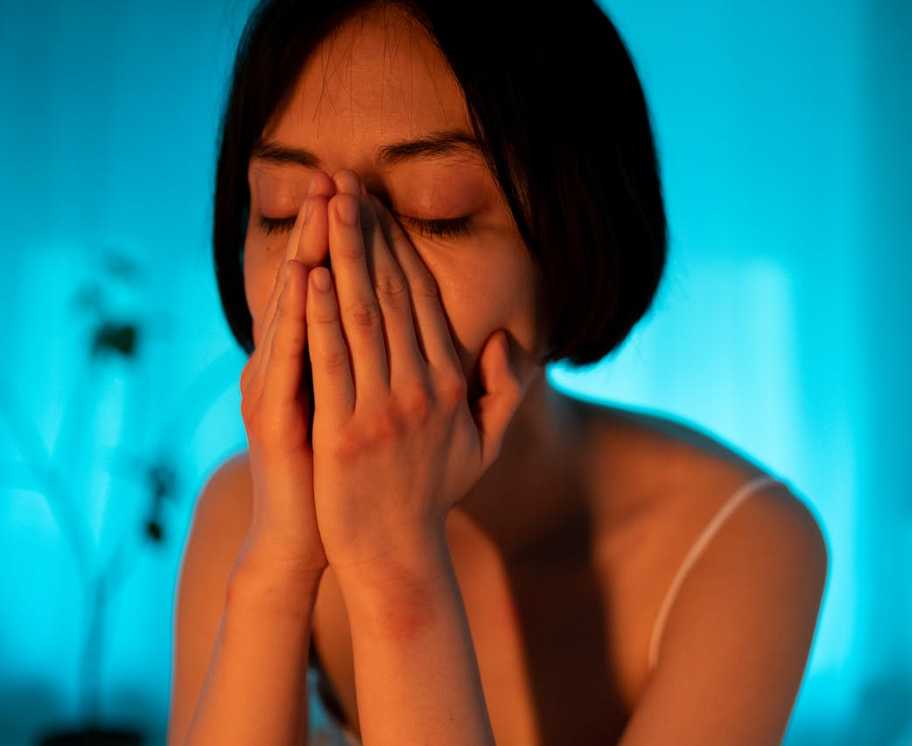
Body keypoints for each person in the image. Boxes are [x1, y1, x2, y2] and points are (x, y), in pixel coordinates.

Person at [168, 1, 828, 744]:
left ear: (576, 237)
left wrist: (395, 566)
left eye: (436, 211)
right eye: (282, 210)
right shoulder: (246, 511)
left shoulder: (740, 540)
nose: (333, 267)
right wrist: (277, 572)